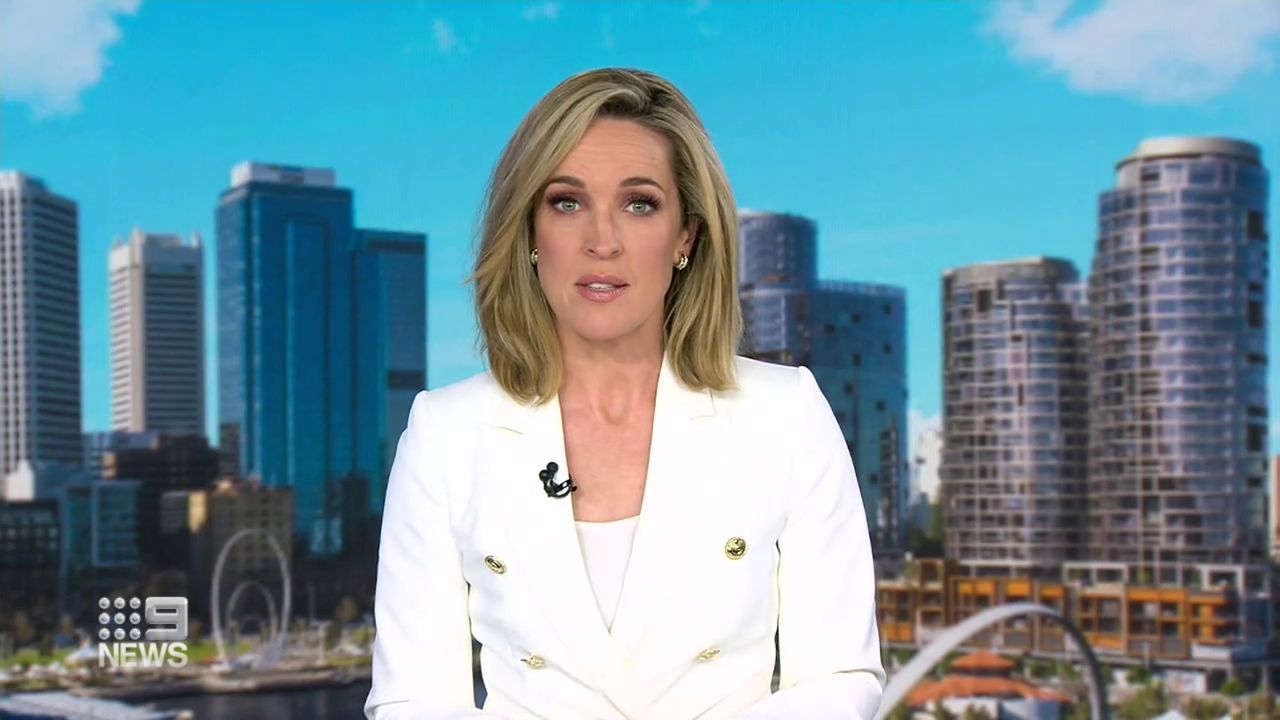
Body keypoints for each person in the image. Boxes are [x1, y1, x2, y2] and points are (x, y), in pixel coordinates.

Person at [365, 67, 885, 720]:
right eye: (567, 202)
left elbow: (841, 678)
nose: (602, 242)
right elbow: (411, 701)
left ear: (686, 236)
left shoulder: (785, 414)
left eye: (639, 204)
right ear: (528, 232)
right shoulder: (445, 433)